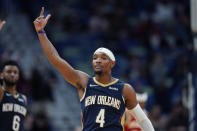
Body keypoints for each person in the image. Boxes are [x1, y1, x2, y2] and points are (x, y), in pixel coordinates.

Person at [33, 7, 155, 131]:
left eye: (103, 58)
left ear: (112, 63)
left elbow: (143, 119)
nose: (98, 60)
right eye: (95, 58)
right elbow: (56, 59)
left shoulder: (124, 89)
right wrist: (41, 33)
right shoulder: (84, 82)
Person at [0, 60, 28, 131]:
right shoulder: (1, 92)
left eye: (15, 72)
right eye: (9, 72)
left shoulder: (24, 98)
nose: (12, 74)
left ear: (18, 76)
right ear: (1, 75)